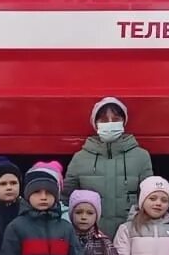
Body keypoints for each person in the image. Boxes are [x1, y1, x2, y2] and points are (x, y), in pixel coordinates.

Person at [63, 97, 154, 238]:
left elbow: (150, 197)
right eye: (104, 120)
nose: (110, 124)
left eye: (116, 118)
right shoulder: (79, 158)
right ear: (96, 124)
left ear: (124, 122)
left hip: (130, 237)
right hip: (90, 239)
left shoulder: (141, 157)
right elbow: (66, 199)